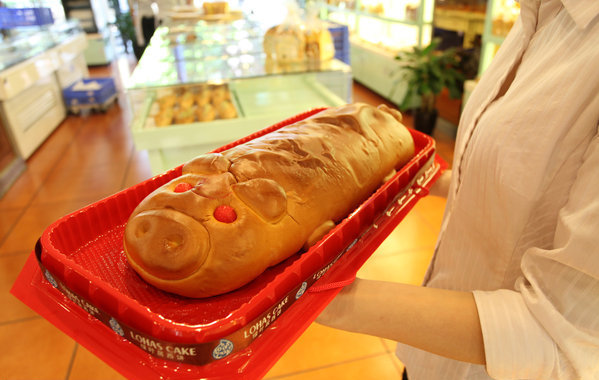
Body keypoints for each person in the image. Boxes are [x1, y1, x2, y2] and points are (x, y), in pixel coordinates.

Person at [316, 0, 599, 379]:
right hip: (428, 353)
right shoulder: (538, 14)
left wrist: (321, 296)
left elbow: (565, 340)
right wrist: (420, 182)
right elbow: (522, 185)